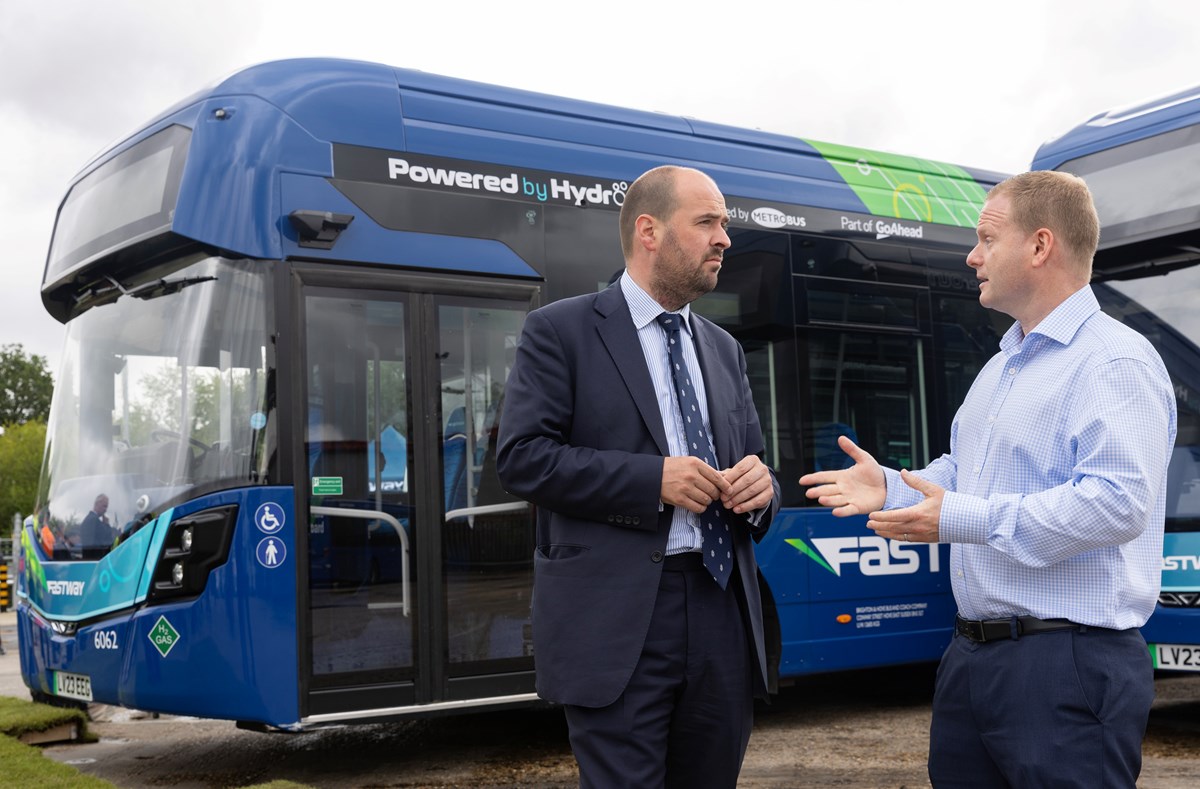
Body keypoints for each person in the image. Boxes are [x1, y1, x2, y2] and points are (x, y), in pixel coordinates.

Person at [800, 170, 1177, 788]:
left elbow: (1117, 504)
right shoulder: (1002, 364)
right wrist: (894, 487)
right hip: (973, 659)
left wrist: (958, 518)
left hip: (1068, 665)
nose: (972, 256)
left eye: (986, 239)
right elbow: (967, 471)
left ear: (1039, 246)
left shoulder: (1114, 361)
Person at [497, 165, 780, 787]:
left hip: (720, 608)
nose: (724, 238)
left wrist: (764, 490)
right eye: (707, 222)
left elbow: (757, 464)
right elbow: (521, 457)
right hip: (618, 621)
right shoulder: (561, 331)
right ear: (649, 231)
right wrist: (652, 480)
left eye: (724, 224)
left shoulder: (724, 348)